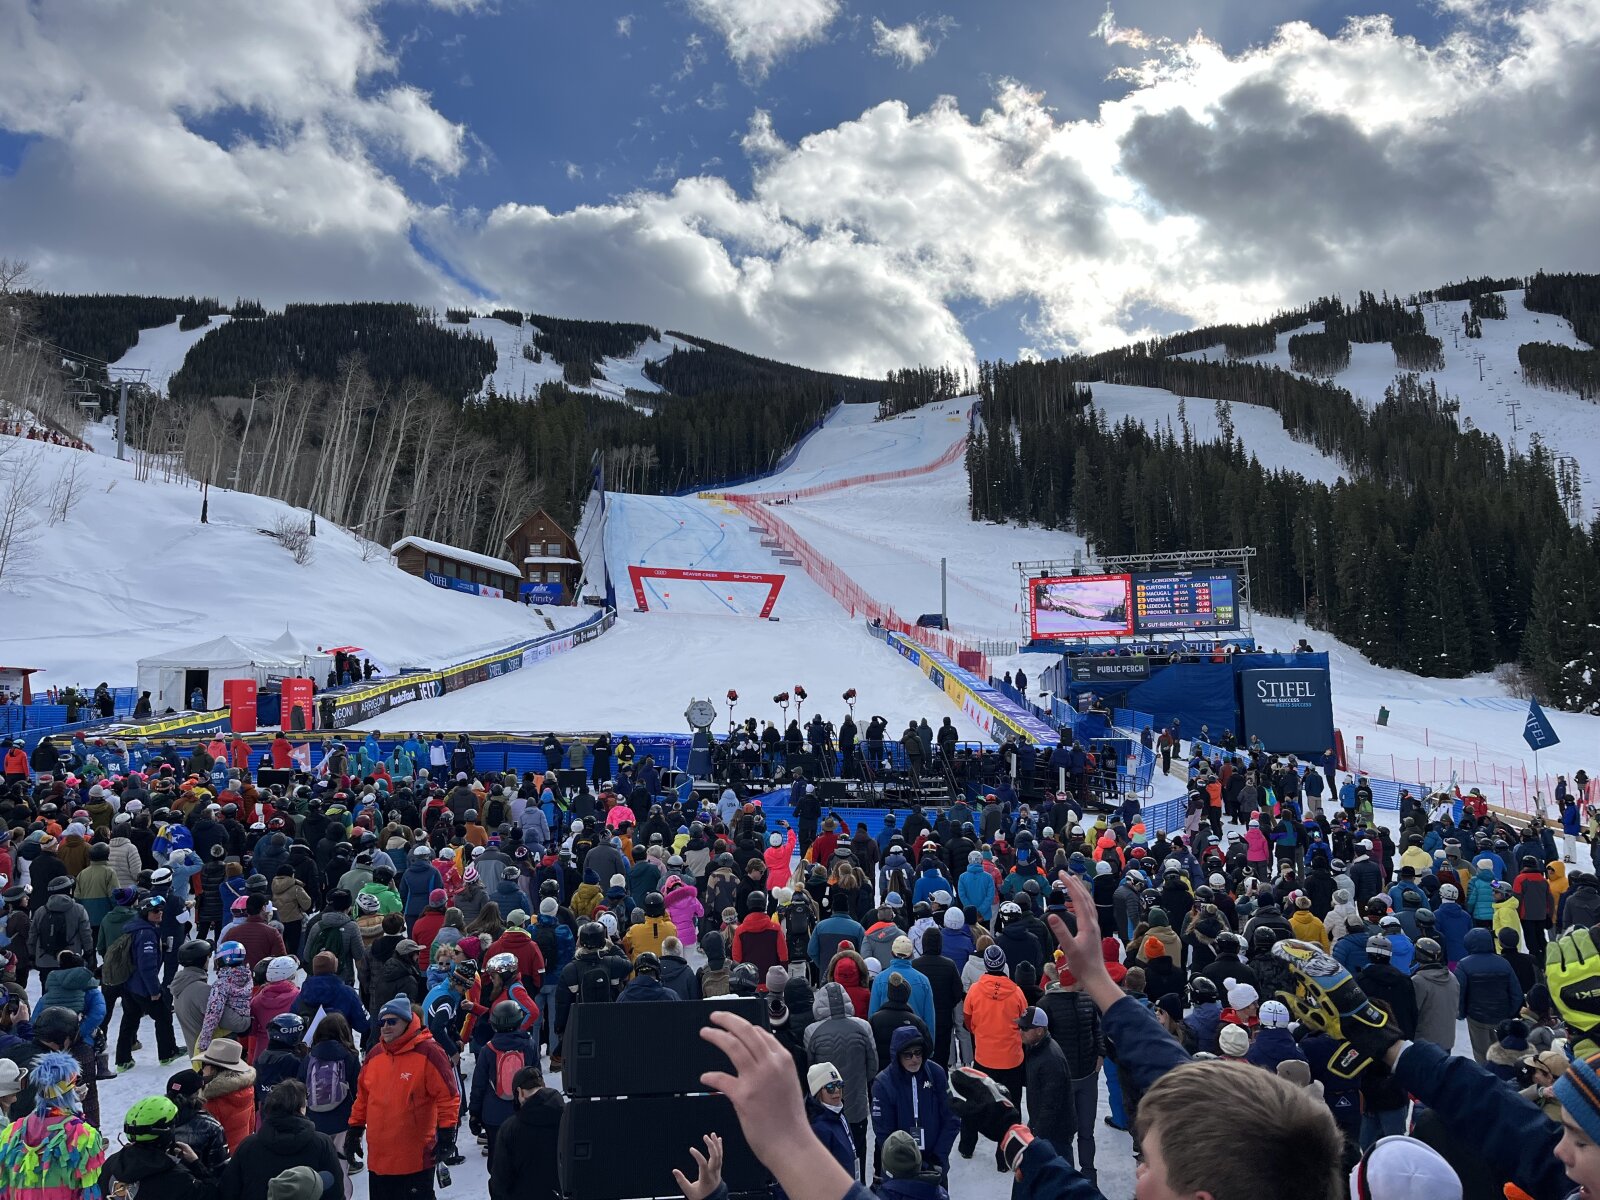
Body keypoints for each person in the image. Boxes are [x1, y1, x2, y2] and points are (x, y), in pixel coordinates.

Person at [347, 996, 461, 1200]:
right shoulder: (375, 1054)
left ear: (408, 1022)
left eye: (392, 1021)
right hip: (380, 1160)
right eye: (382, 1022)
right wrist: (355, 1129)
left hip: (414, 1159)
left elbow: (448, 1097)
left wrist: (447, 1134)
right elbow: (363, 1097)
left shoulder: (429, 1052)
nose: (386, 1027)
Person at [0, 1051, 106, 1200]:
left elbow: (3, 1186)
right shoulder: (83, 1136)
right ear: (70, 1090)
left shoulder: (11, 1132)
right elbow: (91, 1192)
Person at [956, 944, 1026, 1168]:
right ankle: (1005, 1156)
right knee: (1011, 1108)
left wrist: (981, 1032)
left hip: (984, 1058)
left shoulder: (975, 990)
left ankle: (967, 1146)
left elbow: (968, 1021)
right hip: (1011, 1060)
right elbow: (1024, 1023)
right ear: (1003, 965)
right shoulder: (1016, 992)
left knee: (974, 1103)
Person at [219, 1081, 342, 1200]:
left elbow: (229, 1190)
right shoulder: (322, 1143)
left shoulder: (248, 1145)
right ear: (301, 1108)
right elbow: (336, 1191)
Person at [804, 981, 877, 1181]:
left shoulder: (812, 1031)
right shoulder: (863, 1026)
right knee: (857, 1152)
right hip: (856, 1104)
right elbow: (873, 1067)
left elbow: (810, 1072)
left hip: (825, 1110)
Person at [870, 1027, 958, 1186]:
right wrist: (905, 1164)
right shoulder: (883, 1083)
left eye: (918, 1052)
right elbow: (884, 1132)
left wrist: (938, 1157)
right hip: (899, 1170)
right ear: (897, 1055)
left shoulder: (936, 1073)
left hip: (935, 1166)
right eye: (908, 1055)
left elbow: (951, 1118)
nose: (914, 1059)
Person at [104, 1095, 218, 1200]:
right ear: (167, 1132)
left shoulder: (110, 1164)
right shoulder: (178, 1179)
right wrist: (196, 1164)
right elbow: (213, 1194)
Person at [117, 894, 182, 1072]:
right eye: (155, 911)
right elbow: (147, 967)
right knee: (163, 1016)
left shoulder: (134, 928)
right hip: (143, 986)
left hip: (129, 984)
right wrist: (154, 991)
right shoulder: (146, 934)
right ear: (145, 913)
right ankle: (168, 1053)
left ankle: (122, 1060)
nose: (159, 913)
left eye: (161, 910)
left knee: (129, 1020)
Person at [470, 1001, 538, 1169]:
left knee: (496, 1154)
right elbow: (537, 1079)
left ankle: (498, 1187)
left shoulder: (488, 1050)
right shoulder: (529, 1045)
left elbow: (478, 1085)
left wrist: (474, 1113)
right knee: (522, 1154)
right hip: (522, 1112)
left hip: (493, 1114)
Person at [1014, 1006, 1079, 1176]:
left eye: (1025, 1028)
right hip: (1047, 1129)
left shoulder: (1050, 1059)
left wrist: (1036, 1133)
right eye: (1020, 1027)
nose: (1020, 1031)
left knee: (1063, 1179)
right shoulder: (1036, 1048)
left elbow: (1051, 1104)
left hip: (1056, 1133)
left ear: (1040, 1030)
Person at [488, 1065, 563, 1200]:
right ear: (543, 1085)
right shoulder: (568, 1118)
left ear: (520, 1092)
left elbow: (500, 1183)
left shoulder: (509, 1129)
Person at [803, 1062, 858, 1183]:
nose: (837, 1091)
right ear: (818, 1092)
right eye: (830, 1087)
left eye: (839, 1084)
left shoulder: (838, 1113)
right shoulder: (818, 1128)